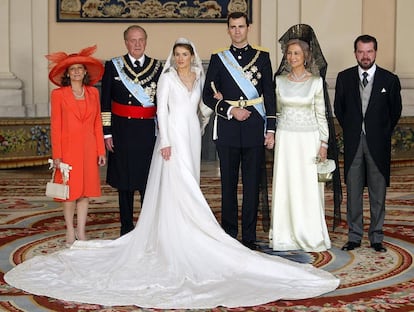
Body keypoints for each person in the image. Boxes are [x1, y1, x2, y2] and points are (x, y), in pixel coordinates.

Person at [4, 38, 339, 309]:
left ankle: (191, 224)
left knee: (190, 180)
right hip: (172, 138)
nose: (180, 58)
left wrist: (218, 104)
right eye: (177, 54)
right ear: (173, 57)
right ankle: (175, 229)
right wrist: (164, 140)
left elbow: (204, 105)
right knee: (176, 183)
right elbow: (160, 113)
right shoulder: (164, 78)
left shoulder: (199, 76)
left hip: (192, 133)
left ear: (191, 56)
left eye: (185, 54)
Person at [202, 12, 276, 250]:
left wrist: (271, 129)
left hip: (255, 126)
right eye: (232, 27)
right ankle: (230, 234)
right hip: (229, 128)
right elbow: (206, 95)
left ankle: (250, 236)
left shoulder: (262, 57)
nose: (237, 31)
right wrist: (230, 110)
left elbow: (270, 95)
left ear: (248, 28)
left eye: (241, 26)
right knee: (229, 186)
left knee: (252, 185)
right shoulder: (218, 58)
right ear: (228, 29)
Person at [334, 34, 402, 253]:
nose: (365, 56)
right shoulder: (344, 78)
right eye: (361, 51)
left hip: (378, 145)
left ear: (375, 52)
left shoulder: (389, 80)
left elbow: (395, 111)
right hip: (354, 143)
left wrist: (380, 132)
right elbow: (339, 110)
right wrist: (354, 130)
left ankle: (376, 237)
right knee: (353, 193)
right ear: (355, 53)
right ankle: (354, 237)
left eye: (369, 51)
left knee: (377, 193)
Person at [269, 25, 333, 252]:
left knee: (307, 187)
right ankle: (284, 234)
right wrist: (272, 134)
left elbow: (321, 114)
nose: (292, 57)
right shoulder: (279, 82)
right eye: (289, 53)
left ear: (306, 56)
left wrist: (323, 143)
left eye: (297, 53)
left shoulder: (316, 82)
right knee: (286, 184)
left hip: (309, 141)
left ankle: (310, 234)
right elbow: (275, 113)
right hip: (286, 141)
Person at [100, 25, 163, 236]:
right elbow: (105, 102)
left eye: (141, 40)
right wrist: (107, 133)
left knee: (147, 181)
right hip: (121, 132)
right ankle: (126, 228)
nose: (137, 44)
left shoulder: (157, 67)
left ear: (146, 41)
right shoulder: (113, 66)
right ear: (126, 42)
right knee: (124, 183)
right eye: (132, 40)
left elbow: (162, 103)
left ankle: (146, 228)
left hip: (147, 133)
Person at [46, 45, 106, 247]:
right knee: (69, 193)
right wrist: (57, 155)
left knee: (85, 191)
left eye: (80, 68)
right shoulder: (58, 95)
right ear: (67, 73)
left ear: (85, 71)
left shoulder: (93, 94)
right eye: (73, 69)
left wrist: (100, 150)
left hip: (89, 149)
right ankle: (70, 230)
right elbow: (55, 126)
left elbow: (97, 122)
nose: (77, 72)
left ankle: (81, 231)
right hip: (68, 150)